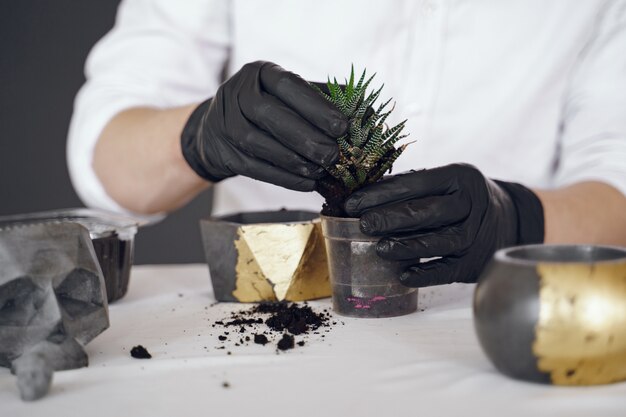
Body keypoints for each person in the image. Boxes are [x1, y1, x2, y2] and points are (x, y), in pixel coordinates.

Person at [68, 0, 626, 287]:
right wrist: (199, 135)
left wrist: (516, 219)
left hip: (489, 312)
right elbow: (110, 156)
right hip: (269, 313)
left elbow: (616, 172)